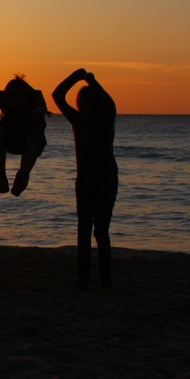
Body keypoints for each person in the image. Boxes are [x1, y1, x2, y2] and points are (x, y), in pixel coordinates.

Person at [52, 68, 118, 288]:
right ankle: (88, 279)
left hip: (101, 180)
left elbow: (108, 104)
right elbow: (57, 96)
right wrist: (82, 78)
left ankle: (101, 278)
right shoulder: (85, 121)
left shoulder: (99, 120)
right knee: (89, 230)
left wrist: (87, 79)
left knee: (96, 230)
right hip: (91, 181)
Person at [0, 74, 50, 196]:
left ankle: (23, 174)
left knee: (35, 133)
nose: (16, 106)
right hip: (11, 139)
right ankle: (1, 175)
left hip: (30, 141)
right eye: (13, 102)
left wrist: (41, 110)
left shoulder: (35, 96)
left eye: (19, 102)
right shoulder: (2, 97)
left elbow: (42, 110)